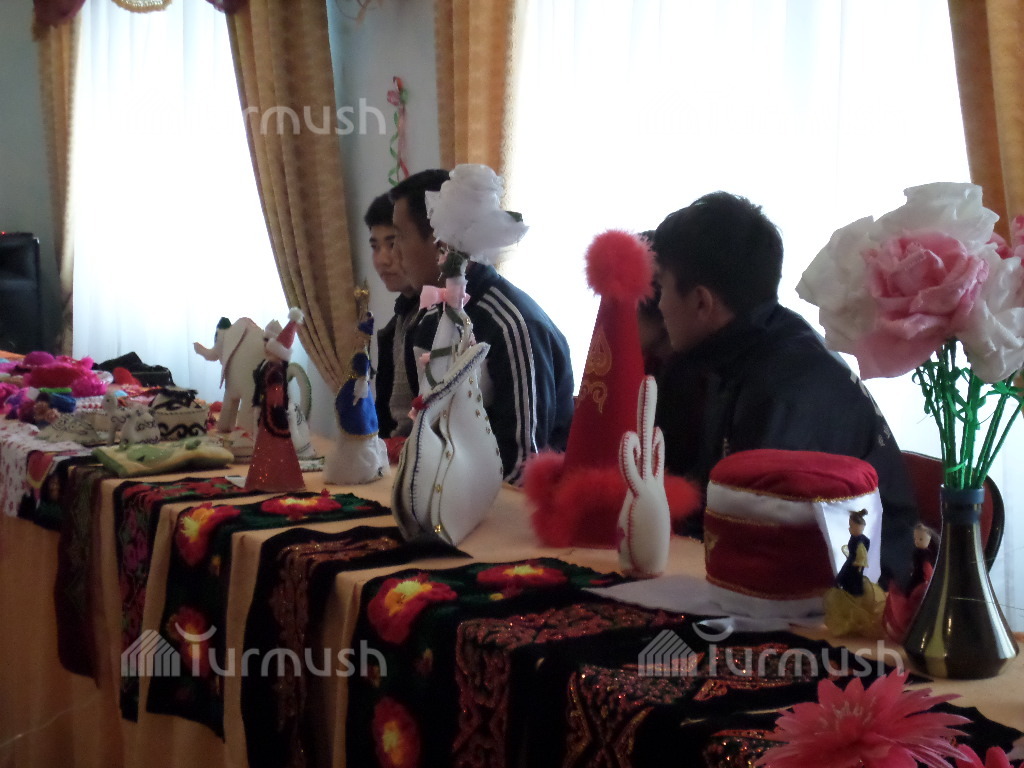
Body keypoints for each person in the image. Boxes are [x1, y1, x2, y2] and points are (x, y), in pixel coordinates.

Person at [652, 191, 917, 587]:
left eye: (662, 288)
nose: (658, 306)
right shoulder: (748, 347)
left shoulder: (782, 388)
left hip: (859, 591)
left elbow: (755, 540)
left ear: (702, 302)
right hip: (804, 570)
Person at [389, 169, 575, 485]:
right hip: (445, 492)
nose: (394, 253)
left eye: (400, 238)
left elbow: (523, 465)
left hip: (508, 504)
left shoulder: (511, 324)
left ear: (439, 243)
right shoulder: (427, 319)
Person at [364, 192, 419, 439]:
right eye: (375, 247)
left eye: (393, 244)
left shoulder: (449, 320)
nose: (382, 260)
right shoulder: (394, 327)